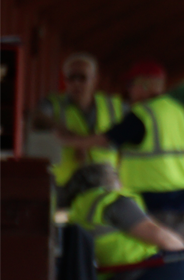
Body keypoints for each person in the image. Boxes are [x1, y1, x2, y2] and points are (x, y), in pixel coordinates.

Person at [58, 60, 184, 239]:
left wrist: (67, 140)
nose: (128, 90)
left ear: (145, 85)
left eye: (131, 84)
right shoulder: (178, 110)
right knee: (178, 249)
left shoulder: (143, 114)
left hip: (154, 198)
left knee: (156, 251)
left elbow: (106, 140)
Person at [30, 53, 126, 190]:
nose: (76, 83)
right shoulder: (54, 104)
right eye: (71, 78)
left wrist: (76, 141)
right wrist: (65, 132)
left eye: (82, 77)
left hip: (105, 182)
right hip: (66, 184)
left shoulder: (114, 106)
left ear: (95, 79)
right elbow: (36, 119)